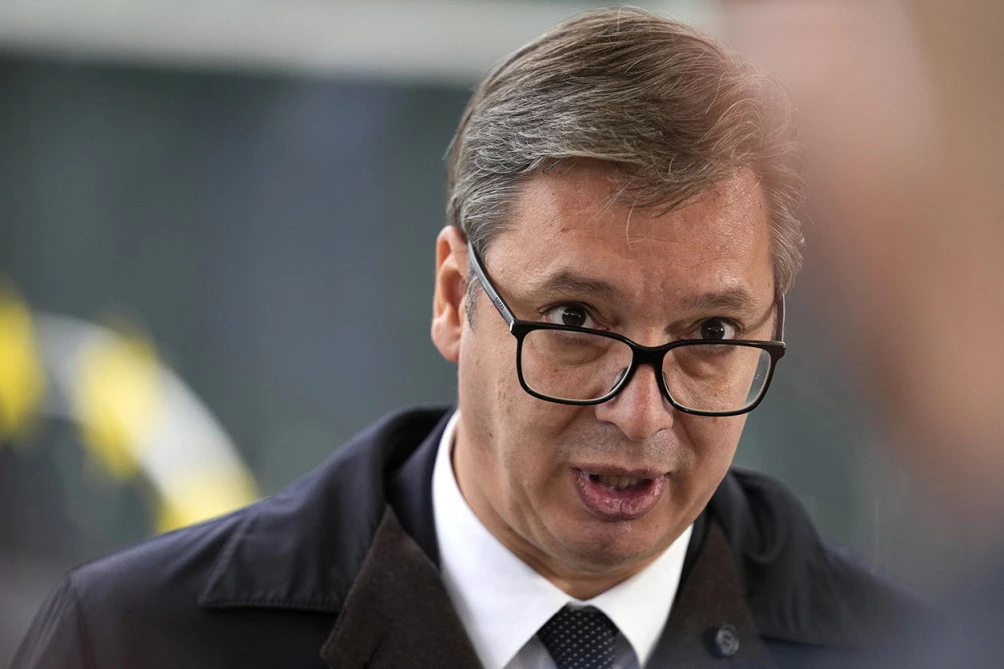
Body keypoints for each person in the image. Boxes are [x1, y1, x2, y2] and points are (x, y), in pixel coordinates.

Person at [12, 8, 922, 669]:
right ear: (456, 298)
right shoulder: (135, 641)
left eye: (711, 334)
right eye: (576, 321)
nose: (641, 414)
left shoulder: (908, 653)